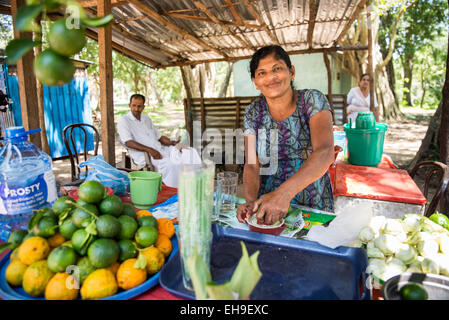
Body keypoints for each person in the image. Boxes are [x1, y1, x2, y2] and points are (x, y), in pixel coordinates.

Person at [236, 45, 335, 226]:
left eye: (277, 69)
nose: (271, 78)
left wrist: (282, 195)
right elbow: (252, 163)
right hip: (268, 210)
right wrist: (250, 202)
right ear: (255, 82)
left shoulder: (312, 100)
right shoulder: (253, 113)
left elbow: (325, 152)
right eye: (262, 73)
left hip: (311, 205)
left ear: (291, 72)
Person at [117, 94, 201, 188]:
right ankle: (173, 190)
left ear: (143, 107)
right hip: (146, 155)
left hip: (160, 149)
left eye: (139, 106)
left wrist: (173, 143)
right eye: (134, 105)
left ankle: (193, 185)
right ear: (129, 105)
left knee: (189, 152)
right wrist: (150, 150)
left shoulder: (146, 118)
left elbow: (159, 137)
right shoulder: (124, 121)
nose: (136, 109)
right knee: (171, 164)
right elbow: (128, 142)